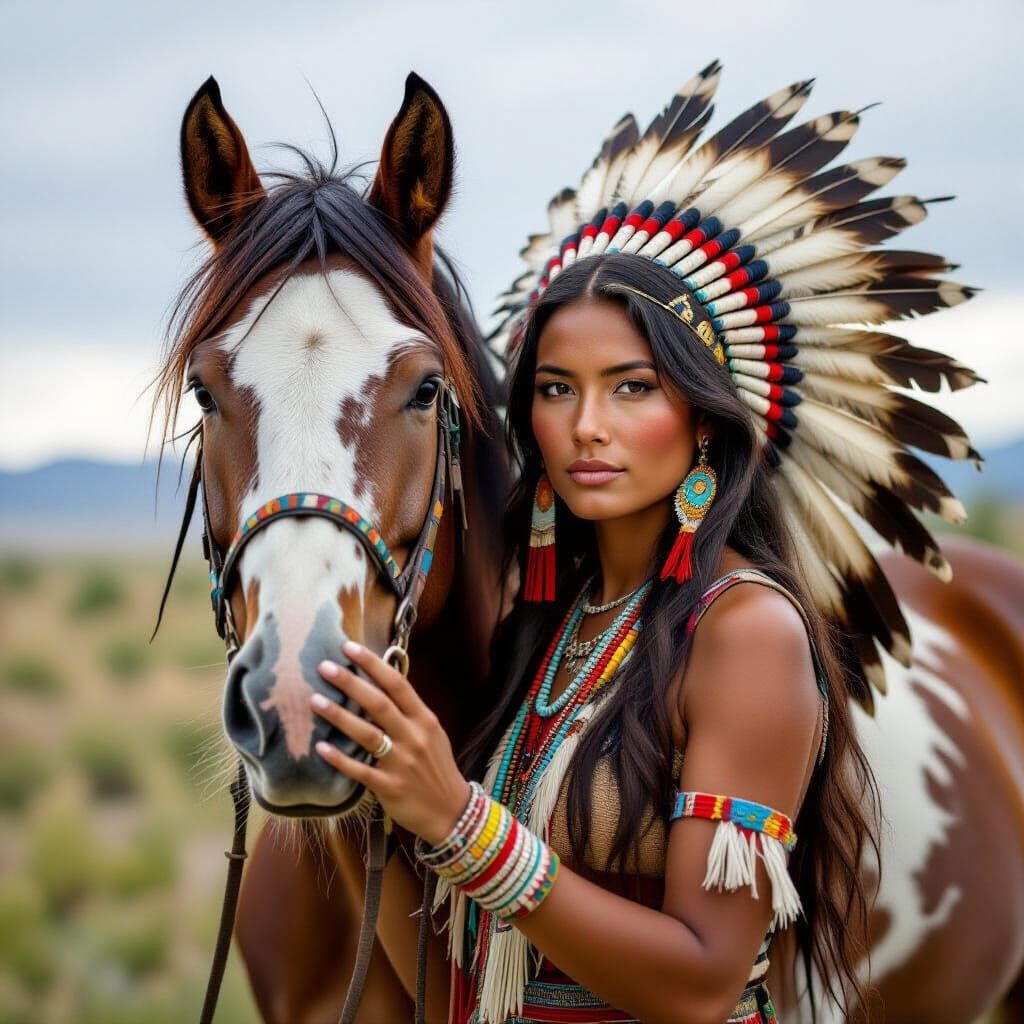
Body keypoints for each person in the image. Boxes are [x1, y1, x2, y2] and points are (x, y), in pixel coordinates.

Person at [308, 65, 976, 1024]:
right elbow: (464, 986)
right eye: (553, 388)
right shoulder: (549, 631)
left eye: (632, 387)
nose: (586, 426)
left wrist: (457, 819)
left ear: (700, 417)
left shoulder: (746, 631)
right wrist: (362, 800)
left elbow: (704, 981)